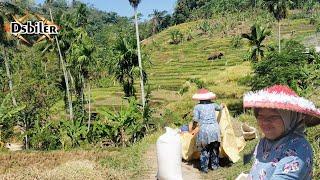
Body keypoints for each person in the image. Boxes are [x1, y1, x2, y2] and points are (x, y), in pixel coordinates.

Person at [243, 85, 320, 180]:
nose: (265, 122)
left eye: (273, 117)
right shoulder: (264, 142)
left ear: (289, 119)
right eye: (261, 116)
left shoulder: (299, 148)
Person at [191, 88, 224, 173]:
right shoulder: (213, 105)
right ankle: (215, 166)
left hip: (204, 131)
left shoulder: (197, 107)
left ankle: (204, 168)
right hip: (215, 129)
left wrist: (193, 128)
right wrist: (222, 105)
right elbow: (220, 108)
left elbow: (195, 119)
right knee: (215, 149)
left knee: (204, 149)